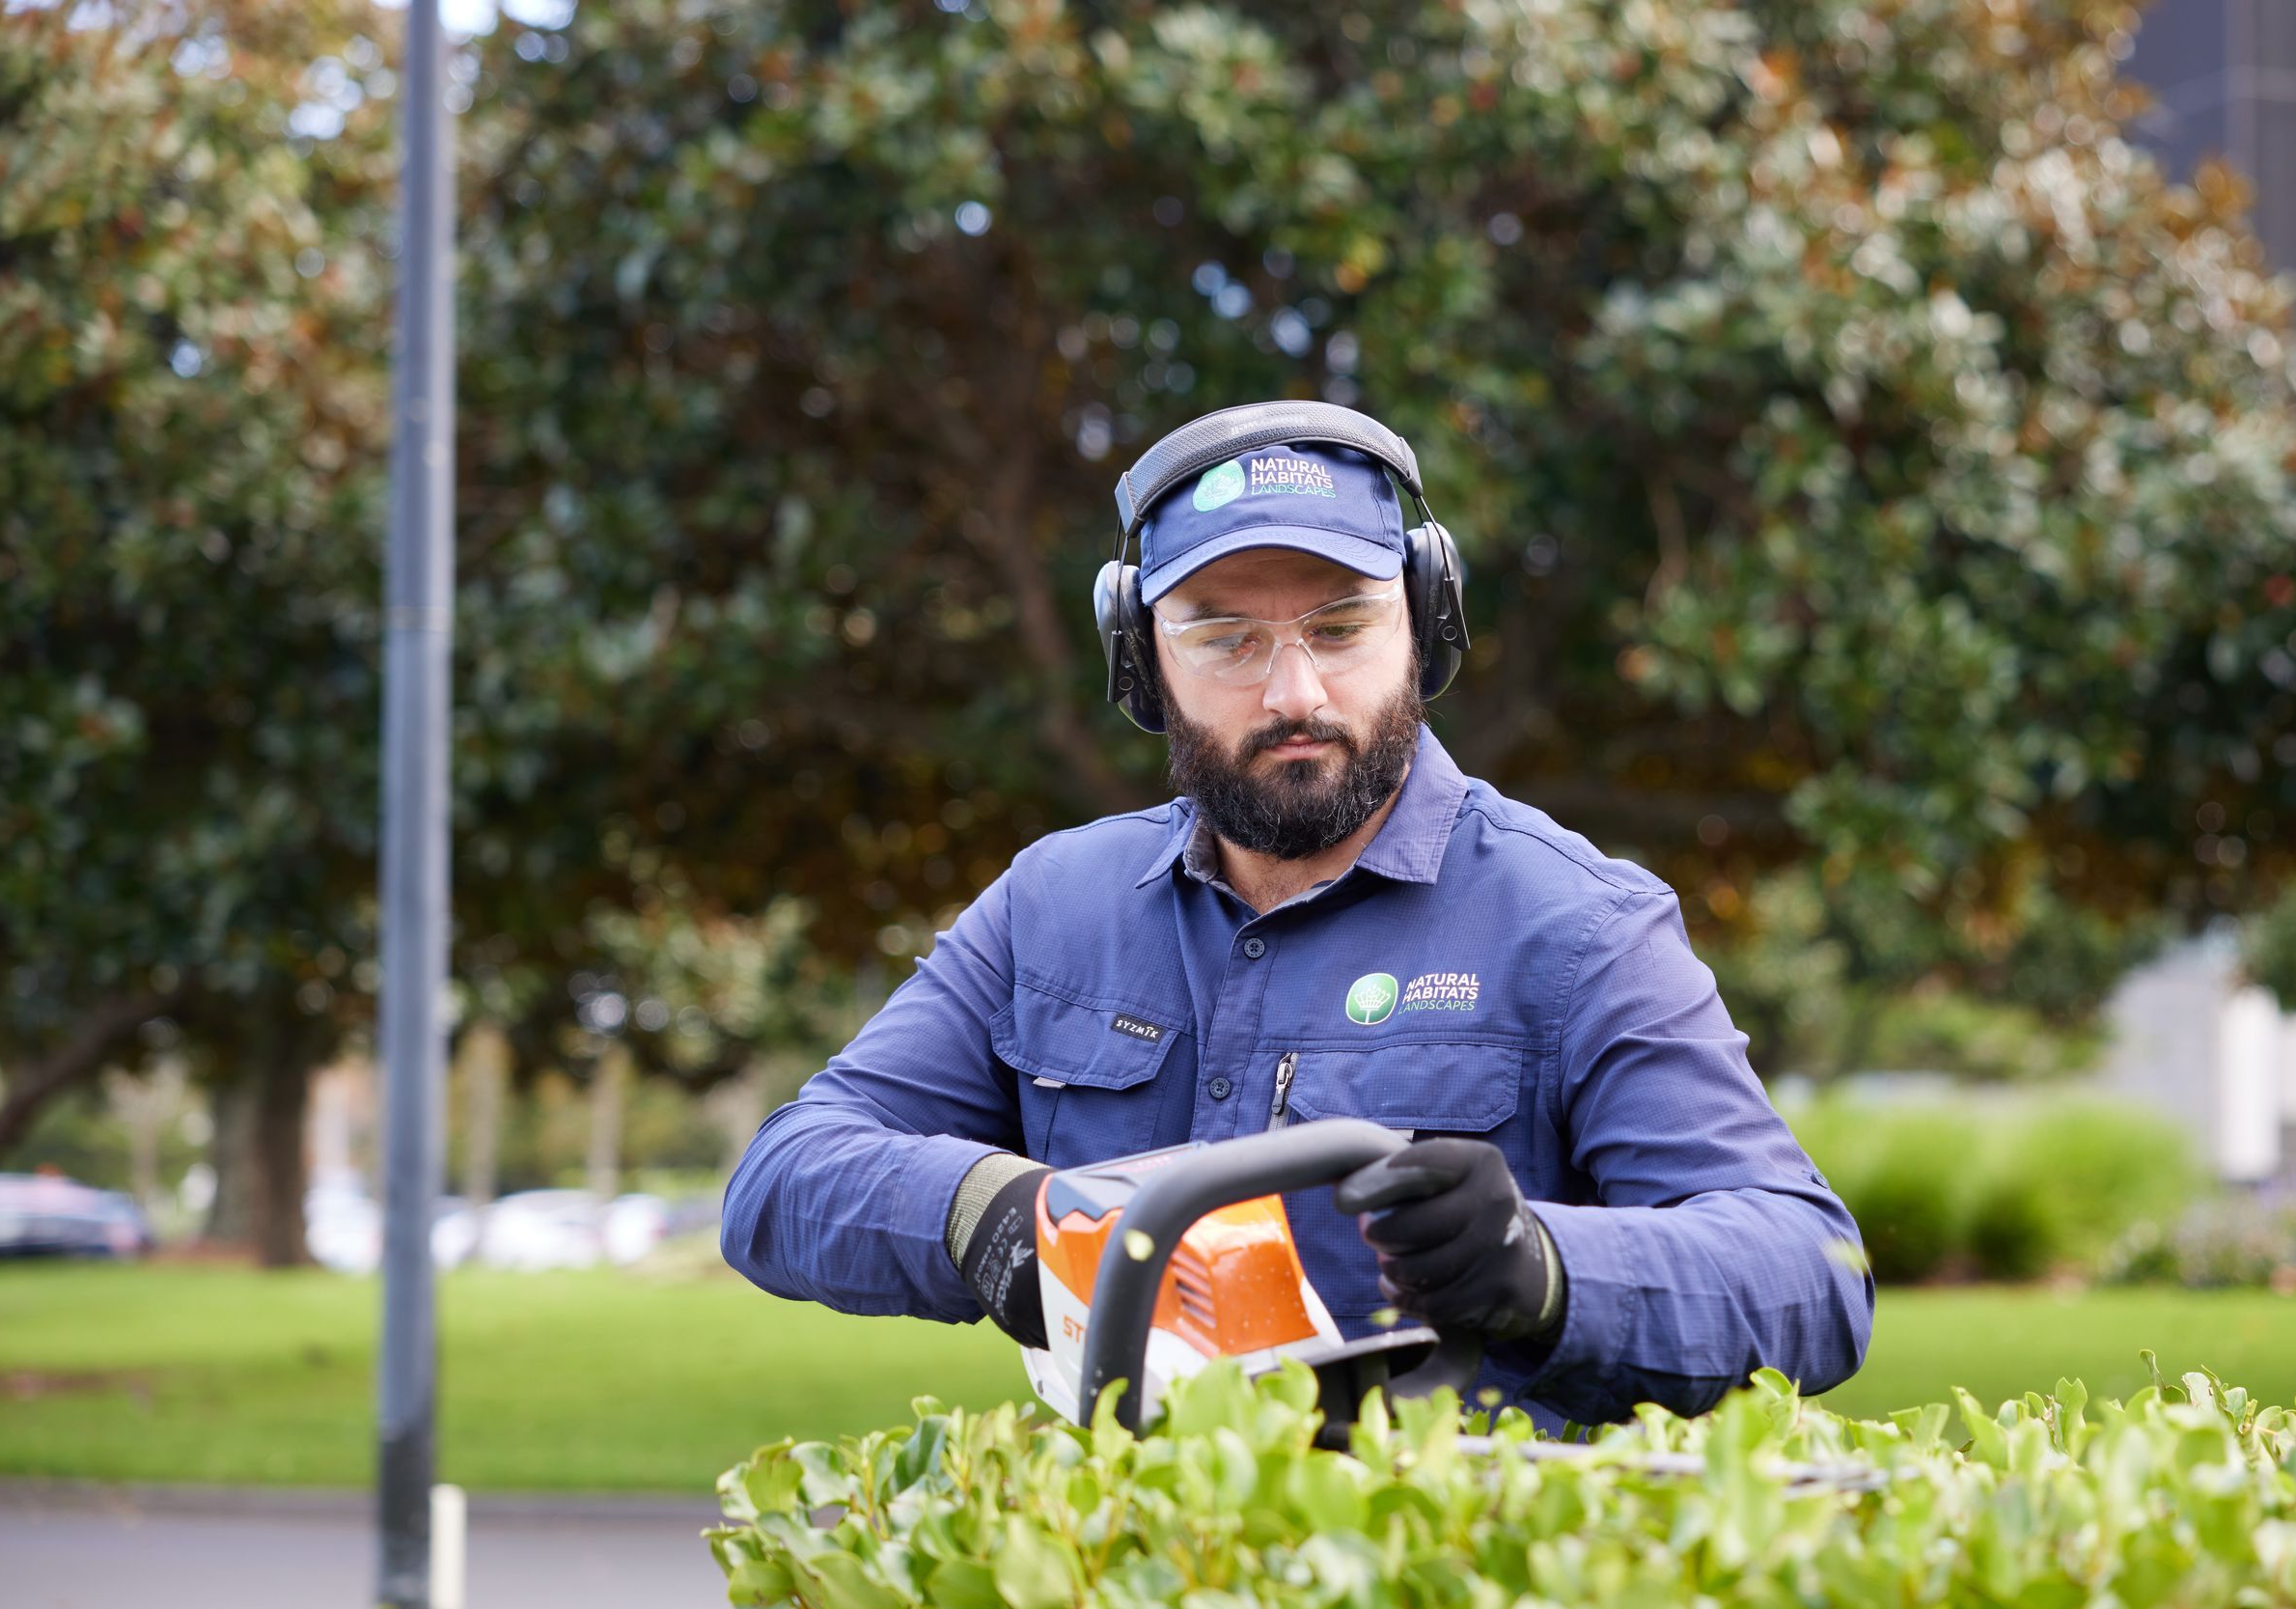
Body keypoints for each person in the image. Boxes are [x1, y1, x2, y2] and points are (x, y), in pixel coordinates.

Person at [720, 401, 1872, 1424]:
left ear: (1423, 623)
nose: (1295, 693)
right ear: (1140, 660)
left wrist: (1544, 1261)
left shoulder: (1576, 925)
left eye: (1339, 624)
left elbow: (1811, 1271)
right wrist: (1002, 1214)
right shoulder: (1049, 909)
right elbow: (784, 1181)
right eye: (1226, 638)